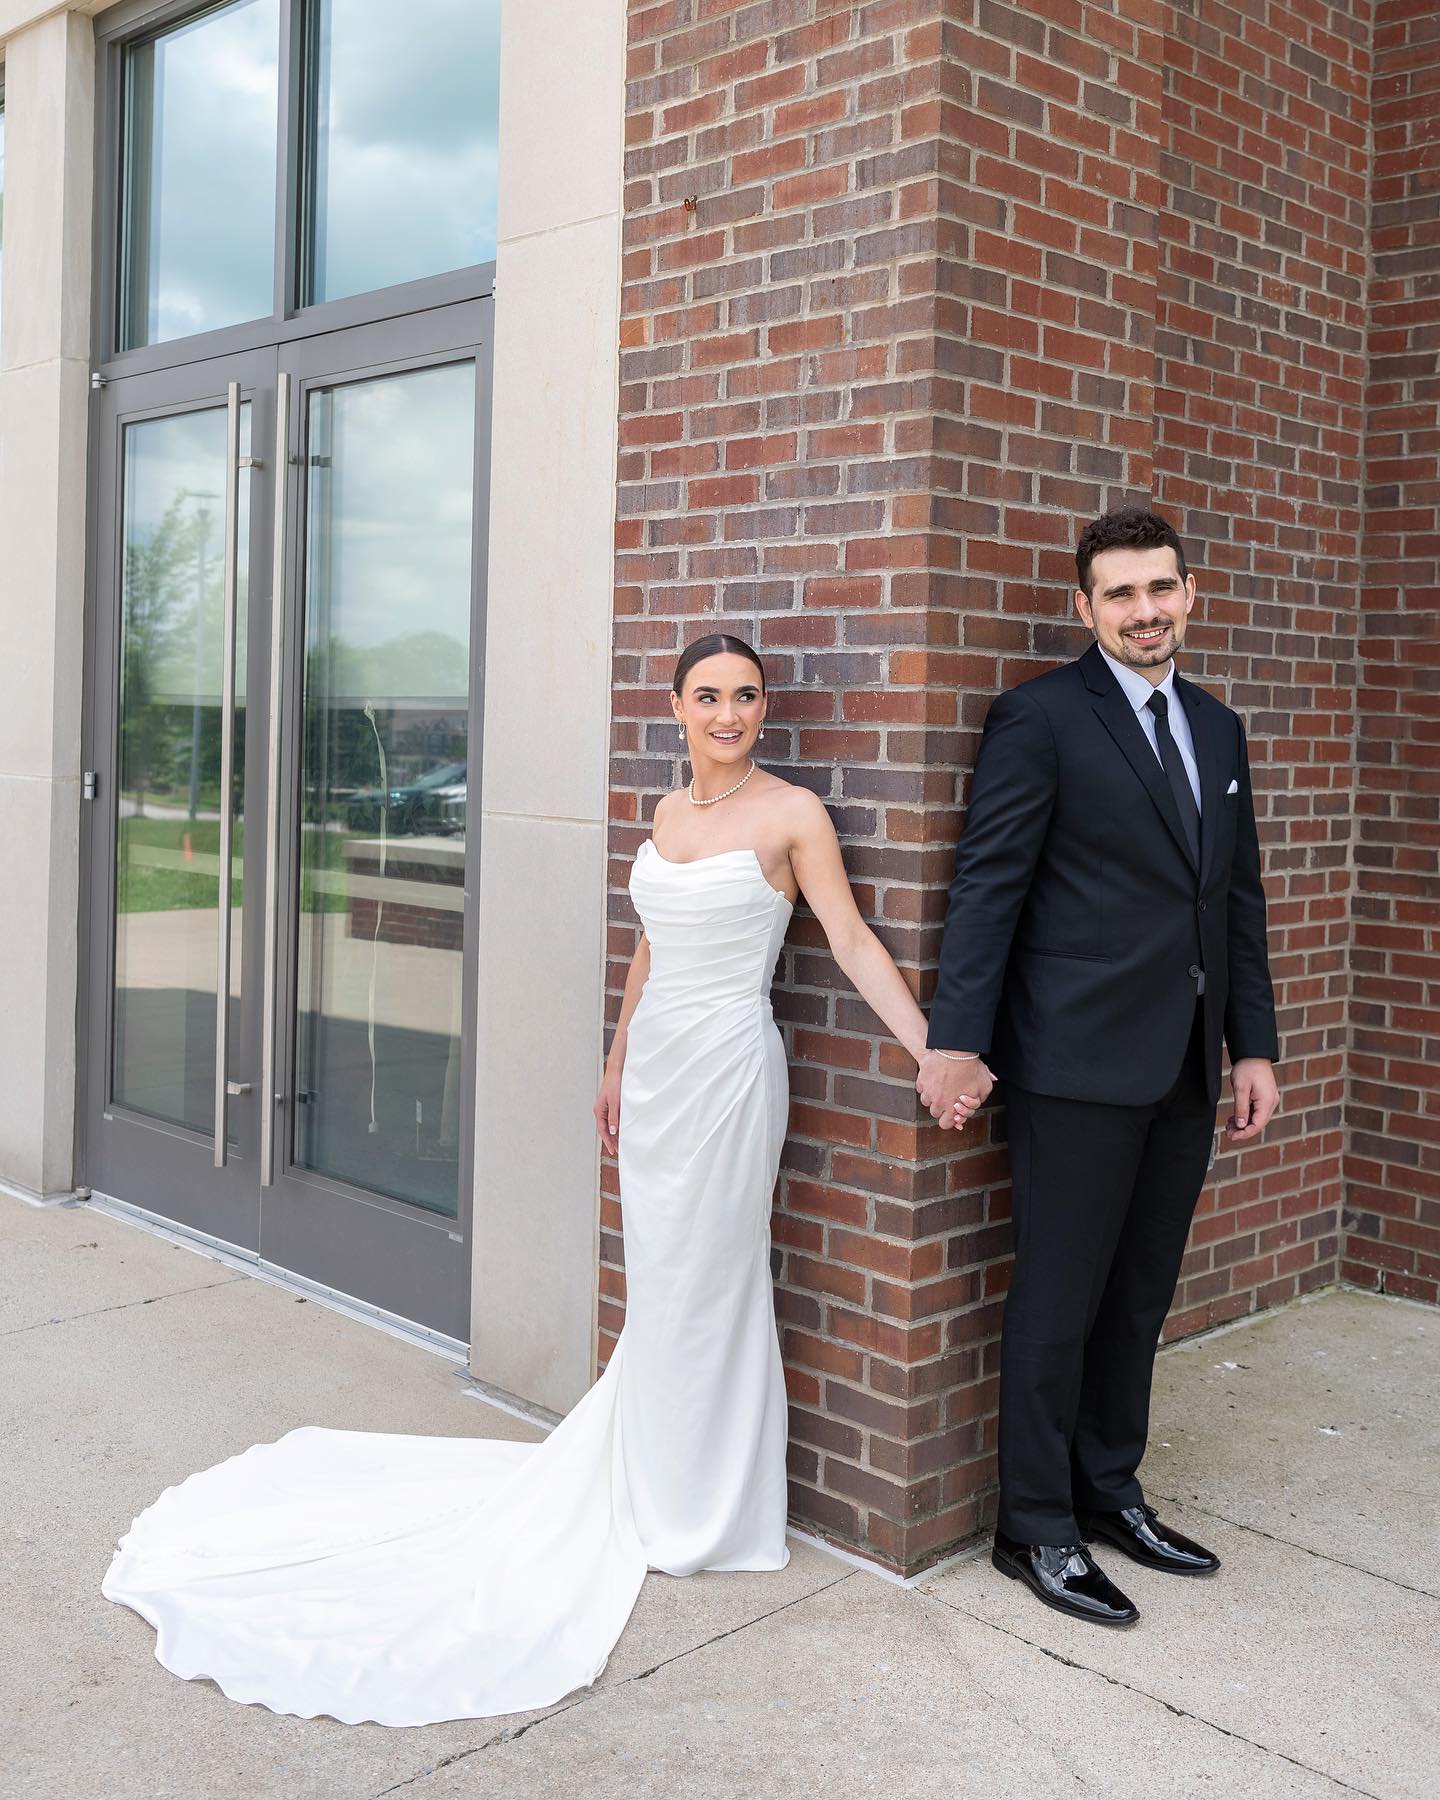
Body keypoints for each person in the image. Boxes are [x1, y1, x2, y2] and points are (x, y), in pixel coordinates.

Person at [103, 632, 990, 1725]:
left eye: (747, 696)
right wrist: (615, 1064)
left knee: (711, 1281)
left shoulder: (793, 814)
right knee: (662, 1284)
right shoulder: (666, 812)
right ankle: (658, 1482)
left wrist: (932, 1052)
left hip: (728, 1076)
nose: (729, 714)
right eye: (708, 696)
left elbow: (850, 943)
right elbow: (650, 947)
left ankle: (700, 1510)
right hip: (656, 1075)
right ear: (675, 706)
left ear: (764, 708)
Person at [916, 509, 1280, 1628]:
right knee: (1060, 1299)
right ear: (1085, 608)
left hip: (1186, 1063)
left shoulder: (1217, 727)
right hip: (1072, 1062)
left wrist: (1253, 1045)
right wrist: (956, 1040)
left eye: (1159, 588)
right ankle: (1033, 1525)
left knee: (1139, 1296)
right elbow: (990, 886)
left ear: (1190, 593)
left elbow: (1237, 901)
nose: (1143, 611)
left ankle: (1109, 1491)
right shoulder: (1039, 718)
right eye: (1119, 594)